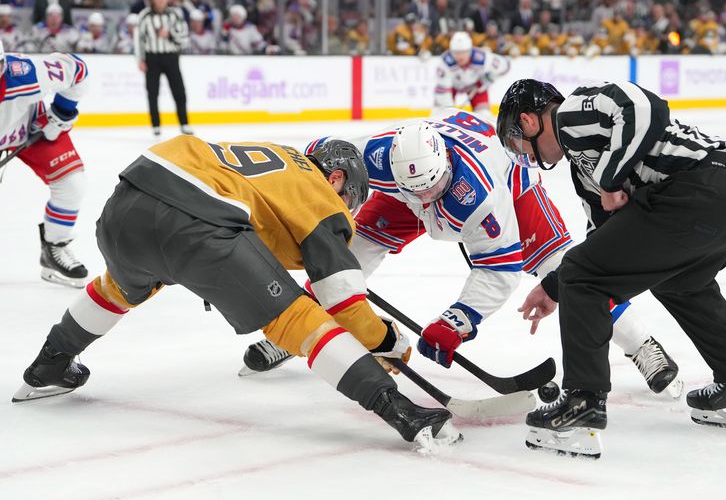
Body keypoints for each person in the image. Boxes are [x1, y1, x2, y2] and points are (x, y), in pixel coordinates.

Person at [12, 135, 461, 449]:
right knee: (297, 320)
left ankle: (49, 362)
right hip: (199, 223)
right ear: (339, 179)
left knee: (118, 288)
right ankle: (399, 410)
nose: (346, 210)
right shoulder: (321, 195)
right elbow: (342, 303)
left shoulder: (277, 161)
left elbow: (249, 220)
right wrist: (386, 340)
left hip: (128, 201)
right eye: (350, 199)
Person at [242, 112, 681, 400]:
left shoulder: (483, 195)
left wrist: (457, 321)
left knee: (563, 269)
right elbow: (323, 168)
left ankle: (642, 344)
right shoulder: (380, 157)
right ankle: (304, 328)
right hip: (406, 187)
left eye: (432, 190)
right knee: (348, 253)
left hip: (512, 187)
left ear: (446, 171)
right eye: (418, 191)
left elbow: (500, 270)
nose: (426, 201)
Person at [497, 78, 726, 458]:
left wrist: (611, 179)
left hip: (710, 186)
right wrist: (553, 288)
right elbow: (605, 248)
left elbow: (647, 108)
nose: (527, 156)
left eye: (518, 145)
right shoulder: (584, 174)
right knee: (679, 280)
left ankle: (583, 403)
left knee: (582, 274)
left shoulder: (571, 114)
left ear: (529, 122)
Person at [0, 40, 90, 287]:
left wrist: (60, 115)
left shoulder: (26, 73)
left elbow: (78, 70)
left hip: (30, 127)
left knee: (72, 185)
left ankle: (54, 247)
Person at [135, 0, 191, 137]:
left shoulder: (175, 14)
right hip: (152, 57)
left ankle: (184, 123)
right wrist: (140, 59)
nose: (160, 0)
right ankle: (156, 125)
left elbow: (185, 37)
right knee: (152, 92)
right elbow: (138, 39)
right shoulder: (144, 15)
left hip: (171, 57)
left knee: (179, 91)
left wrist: (170, 34)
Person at [432, 31, 510, 121]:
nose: (460, 56)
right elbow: (443, 91)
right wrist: (449, 111)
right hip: (451, 87)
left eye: (464, 52)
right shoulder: (445, 62)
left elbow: (505, 65)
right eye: (456, 52)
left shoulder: (482, 57)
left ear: (470, 50)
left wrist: (488, 78)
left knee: (485, 117)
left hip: (476, 87)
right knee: (437, 115)